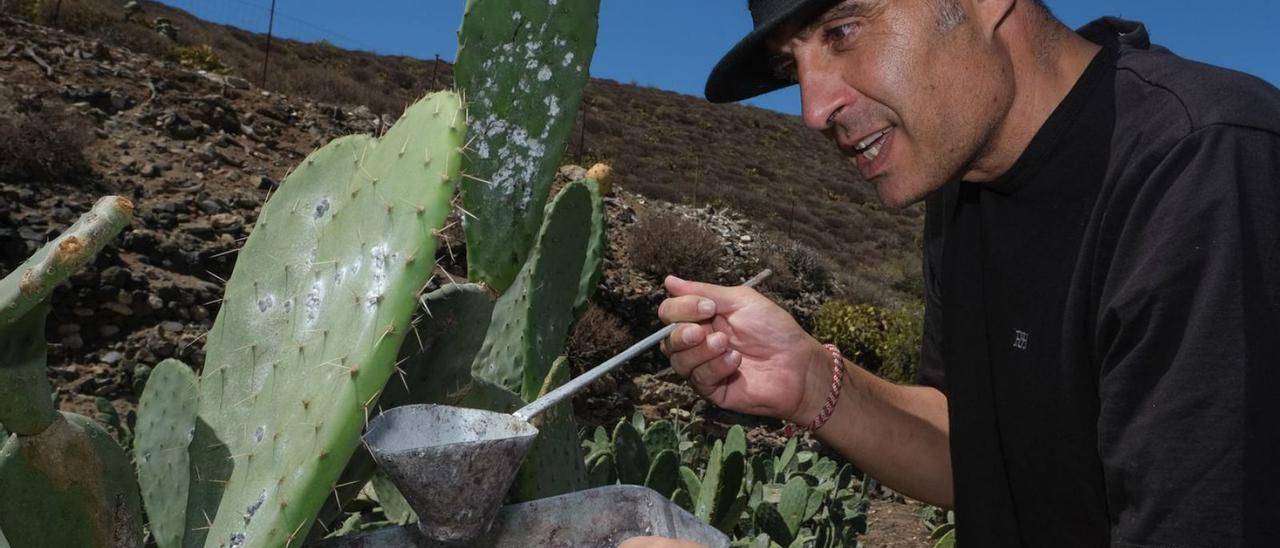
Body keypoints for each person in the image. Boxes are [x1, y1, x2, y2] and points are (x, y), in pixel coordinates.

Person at [633, 0, 1280, 546]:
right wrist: (812, 382)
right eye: (791, 64)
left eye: (842, 31)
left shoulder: (1202, 165)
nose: (812, 107)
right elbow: (969, 443)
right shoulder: (962, 183)